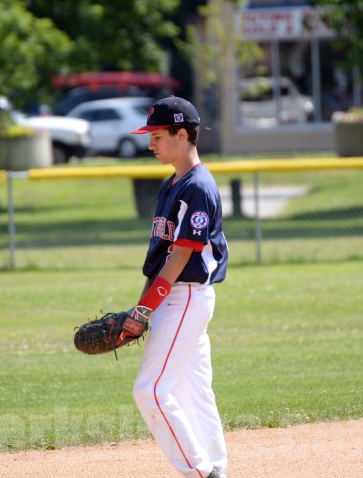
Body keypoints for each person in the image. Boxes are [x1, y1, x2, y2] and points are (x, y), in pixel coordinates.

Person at [129, 96, 229, 478]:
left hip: (185, 296)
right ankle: (216, 466)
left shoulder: (198, 186)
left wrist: (144, 310)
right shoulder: (172, 183)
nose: (150, 144)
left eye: (157, 136)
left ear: (182, 134)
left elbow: (182, 255)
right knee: (194, 391)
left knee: (150, 391)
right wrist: (143, 304)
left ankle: (201, 472)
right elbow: (160, 255)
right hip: (176, 297)